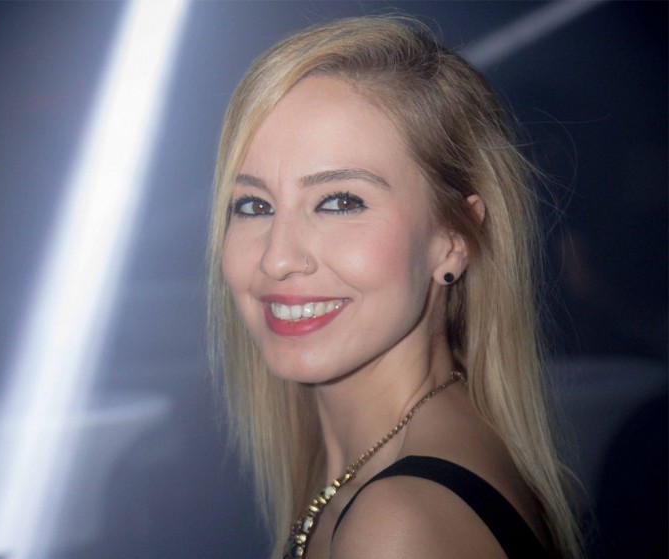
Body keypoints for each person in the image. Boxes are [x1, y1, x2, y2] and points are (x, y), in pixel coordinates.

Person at [207, 16, 582, 559]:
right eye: (253, 205)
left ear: (453, 239)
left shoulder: (397, 525)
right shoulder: (420, 456)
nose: (278, 257)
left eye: (340, 202)